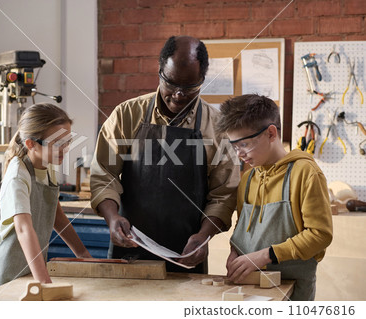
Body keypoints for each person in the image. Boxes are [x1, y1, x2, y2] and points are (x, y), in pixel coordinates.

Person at [90, 35, 239, 273]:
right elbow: (104, 174)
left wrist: (204, 236)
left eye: (189, 87)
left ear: (202, 80)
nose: (178, 95)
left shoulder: (217, 126)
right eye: (171, 83)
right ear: (159, 71)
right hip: (129, 246)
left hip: (188, 252)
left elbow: (223, 195)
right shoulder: (126, 115)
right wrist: (112, 218)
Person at [215, 94, 333, 300]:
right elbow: (243, 228)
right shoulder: (248, 178)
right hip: (252, 290)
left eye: (244, 144)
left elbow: (320, 235)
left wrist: (264, 255)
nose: (239, 154)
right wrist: (235, 250)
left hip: (292, 290)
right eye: (234, 146)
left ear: (271, 133)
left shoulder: (305, 172)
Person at [0, 103, 91, 293]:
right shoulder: (18, 174)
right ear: (31, 144)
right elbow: (24, 229)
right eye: (57, 144)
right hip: (6, 280)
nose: (64, 149)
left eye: (67, 142)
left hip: (30, 274)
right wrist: (45, 284)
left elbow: (56, 215)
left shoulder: (47, 165)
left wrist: (83, 254)